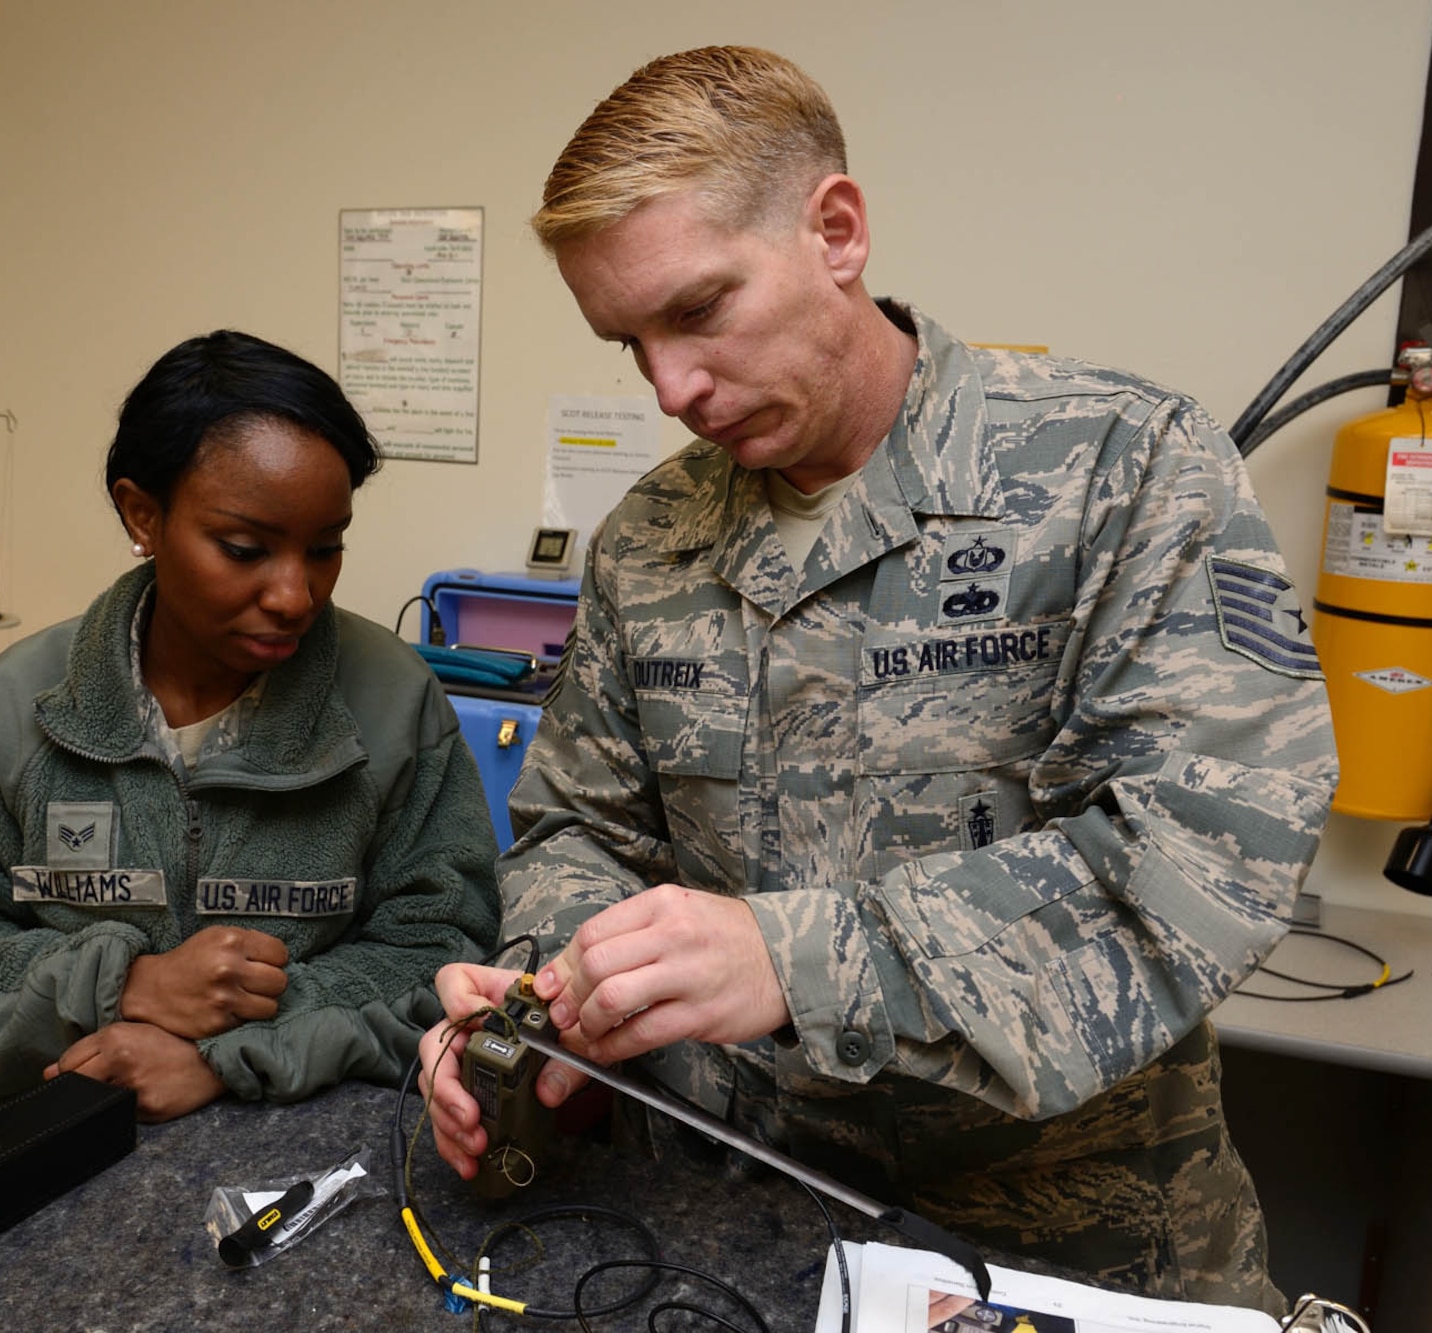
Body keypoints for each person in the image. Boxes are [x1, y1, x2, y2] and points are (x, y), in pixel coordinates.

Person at [418, 47, 1337, 1311]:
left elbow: (1198, 858)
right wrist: (554, 990)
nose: (670, 388)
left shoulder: (1119, 469)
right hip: (732, 1227)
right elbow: (578, 827)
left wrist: (791, 959)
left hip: (1063, 1254)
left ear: (835, 232)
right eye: (628, 342)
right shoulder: (651, 535)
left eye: (696, 311)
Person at [0, 330, 501, 1122]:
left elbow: (449, 956)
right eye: (244, 548)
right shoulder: (17, 707)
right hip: (65, 1151)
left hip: (309, 1153)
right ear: (142, 514)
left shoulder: (393, 704)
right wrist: (123, 983)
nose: (295, 594)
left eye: (326, 547)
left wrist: (225, 1057)